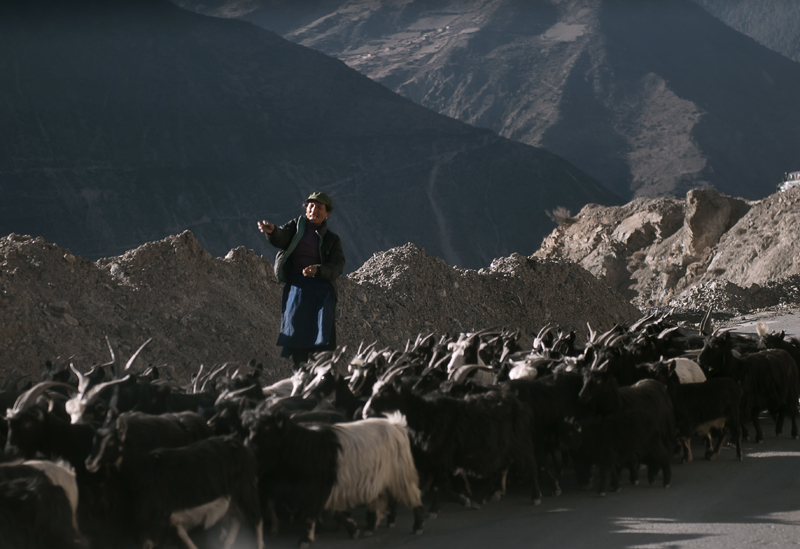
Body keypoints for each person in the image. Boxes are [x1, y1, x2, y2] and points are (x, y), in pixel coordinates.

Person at [257, 192, 345, 368]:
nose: (314, 210)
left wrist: (317, 270)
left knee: (322, 333)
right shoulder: (295, 227)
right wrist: (273, 231)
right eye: (311, 206)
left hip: (322, 290)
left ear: (327, 214)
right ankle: (301, 371)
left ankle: (321, 374)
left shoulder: (332, 240)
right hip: (296, 288)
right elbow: (282, 237)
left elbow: (337, 266)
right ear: (306, 209)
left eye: (320, 207)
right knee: (296, 331)